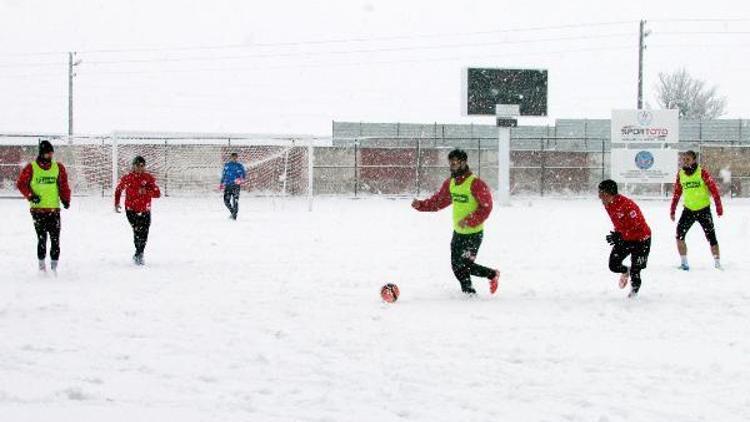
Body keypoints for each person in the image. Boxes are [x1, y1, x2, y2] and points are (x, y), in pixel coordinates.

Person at [411, 149, 500, 295]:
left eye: (455, 162)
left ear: (464, 163)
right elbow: (438, 202)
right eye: (450, 162)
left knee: (465, 265)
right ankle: (469, 292)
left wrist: (470, 220)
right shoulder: (451, 183)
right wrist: (421, 205)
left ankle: (489, 277)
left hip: (474, 234)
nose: (452, 165)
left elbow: (486, 207)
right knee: (457, 267)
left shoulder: (476, 183)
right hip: (458, 234)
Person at [16, 140, 71, 274]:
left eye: (51, 154)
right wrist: (31, 196)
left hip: (54, 209)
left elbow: (63, 185)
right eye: (47, 154)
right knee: (42, 238)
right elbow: (21, 184)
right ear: (41, 154)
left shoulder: (58, 167)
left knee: (55, 239)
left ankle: (54, 266)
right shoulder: (31, 167)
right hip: (38, 210)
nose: (50, 157)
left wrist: (65, 199)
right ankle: (41, 265)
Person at [669, 150, 723, 270]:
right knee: (679, 236)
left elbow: (714, 189)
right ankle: (684, 263)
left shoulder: (702, 172)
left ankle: (717, 263)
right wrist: (672, 210)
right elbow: (677, 193)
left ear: (694, 160)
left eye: (687, 159)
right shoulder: (681, 174)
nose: (685, 161)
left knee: (711, 237)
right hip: (688, 210)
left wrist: (719, 207)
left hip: (704, 210)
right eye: (683, 159)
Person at [598, 179, 651, 298]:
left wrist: (622, 235)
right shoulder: (608, 204)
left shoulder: (628, 205)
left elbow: (638, 227)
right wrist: (617, 234)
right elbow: (620, 222)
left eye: (601, 193)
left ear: (608, 193)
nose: (599, 196)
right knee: (613, 265)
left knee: (636, 271)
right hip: (625, 238)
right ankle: (625, 271)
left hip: (642, 240)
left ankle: (633, 294)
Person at [115, 156, 161, 265]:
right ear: (133, 166)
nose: (140, 168)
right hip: (131, 209)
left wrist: (146, 191)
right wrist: (116, 203)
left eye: (142, 166)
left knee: (144, 232)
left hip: (145, 210)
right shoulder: (128, 178)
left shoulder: (148, 178)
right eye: (137, 165)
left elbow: (157, 193)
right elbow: (118, 189)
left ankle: (139, 253)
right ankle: (138, 252)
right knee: (137, 231)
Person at [219, 152, 246, 220]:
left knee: (235, 200)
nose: (234, 158)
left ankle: (234, 216)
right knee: (226, 201)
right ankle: (232, 212)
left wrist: (240, 180)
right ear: (231, 158)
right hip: (228, 185)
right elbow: (224, 174)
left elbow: (243, 175)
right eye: (233, 157)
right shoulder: (227, 165)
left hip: (236, 186)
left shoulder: (239, 166)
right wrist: (221, 183)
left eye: (235, 157)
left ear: (237, 158)